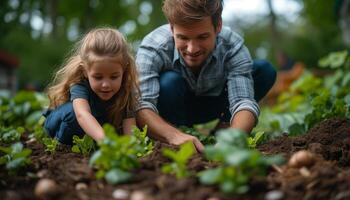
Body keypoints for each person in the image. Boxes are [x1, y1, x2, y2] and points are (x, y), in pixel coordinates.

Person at [135, 0, 276, 152]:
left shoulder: (232, 45)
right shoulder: (153, 46)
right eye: (183, 38)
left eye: (202, 37)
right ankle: (178, 133)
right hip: (173, 104)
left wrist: (233, 138)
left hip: (217, 103)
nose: (192, 49)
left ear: (218, 27)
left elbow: (243, 101)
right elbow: (142, 105)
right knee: (169, 81)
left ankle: (225, 128)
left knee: (264, 70)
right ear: (171, 28)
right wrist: (174, 136)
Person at [43, 28, 139, 145]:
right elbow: (82, 115)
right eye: (98, 77)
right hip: (62, 122)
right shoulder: (80, 84)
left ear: (124, 70)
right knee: (72, 115)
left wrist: (132, 147)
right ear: (85, 71)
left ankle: (92, 143)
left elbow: (130, 129)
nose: (106, 85)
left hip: (93, 130)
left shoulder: (126, 89)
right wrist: (106, 141)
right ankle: (61, 145)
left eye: (114, 77)